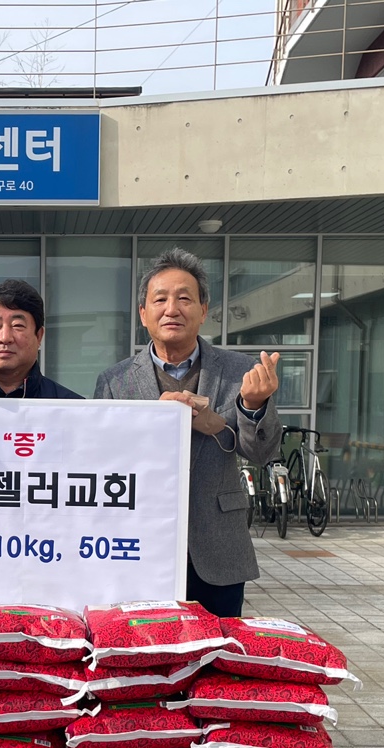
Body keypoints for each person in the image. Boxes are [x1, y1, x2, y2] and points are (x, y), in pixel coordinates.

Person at [94, 248, 283, 618]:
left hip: (217, 546)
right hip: (138, 549)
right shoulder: (115, 380)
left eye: (184, 298)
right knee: (144, 646)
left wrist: (250, 406)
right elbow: (102, 463)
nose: (172, 309)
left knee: (218, 648)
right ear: (143, 313)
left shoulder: (241, 372)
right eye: (160, 299)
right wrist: (150, 426)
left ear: (203, 310)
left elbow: (262, 453)